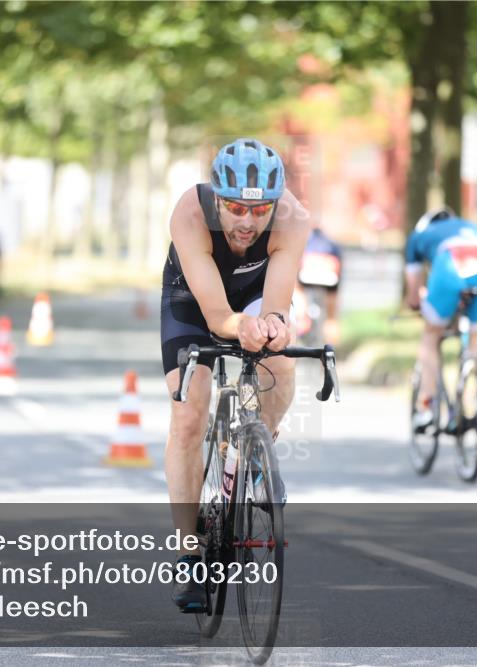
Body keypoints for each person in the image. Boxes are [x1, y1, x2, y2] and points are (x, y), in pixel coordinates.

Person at [161, 138, 310, 612]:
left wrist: (272, 327)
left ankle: (254, 447)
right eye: (235, 209)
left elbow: (276, 306)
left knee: (281, 362)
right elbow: (215, 313)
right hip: (193, 299)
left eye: (260, 210)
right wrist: (240, 327)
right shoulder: (190, 212)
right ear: (217, 199)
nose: (247, 221)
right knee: (188, 414)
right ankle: (189, 552)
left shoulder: (294, 219)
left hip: (251, 292)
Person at [403, 208, 477, 433]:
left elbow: (413, 289)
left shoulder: (418, 237)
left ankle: (427, 407)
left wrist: (416, 306)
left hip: (450, 265)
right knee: (475, 337)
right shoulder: (473, 227)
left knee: (430, 337)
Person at [294, 223, 342, 346]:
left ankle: (301, 319)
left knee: (297, 291)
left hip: (306, 275)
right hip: (330, 277)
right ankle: (331, 348)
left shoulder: (304, 243)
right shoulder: (333, 245)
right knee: (331, 316)